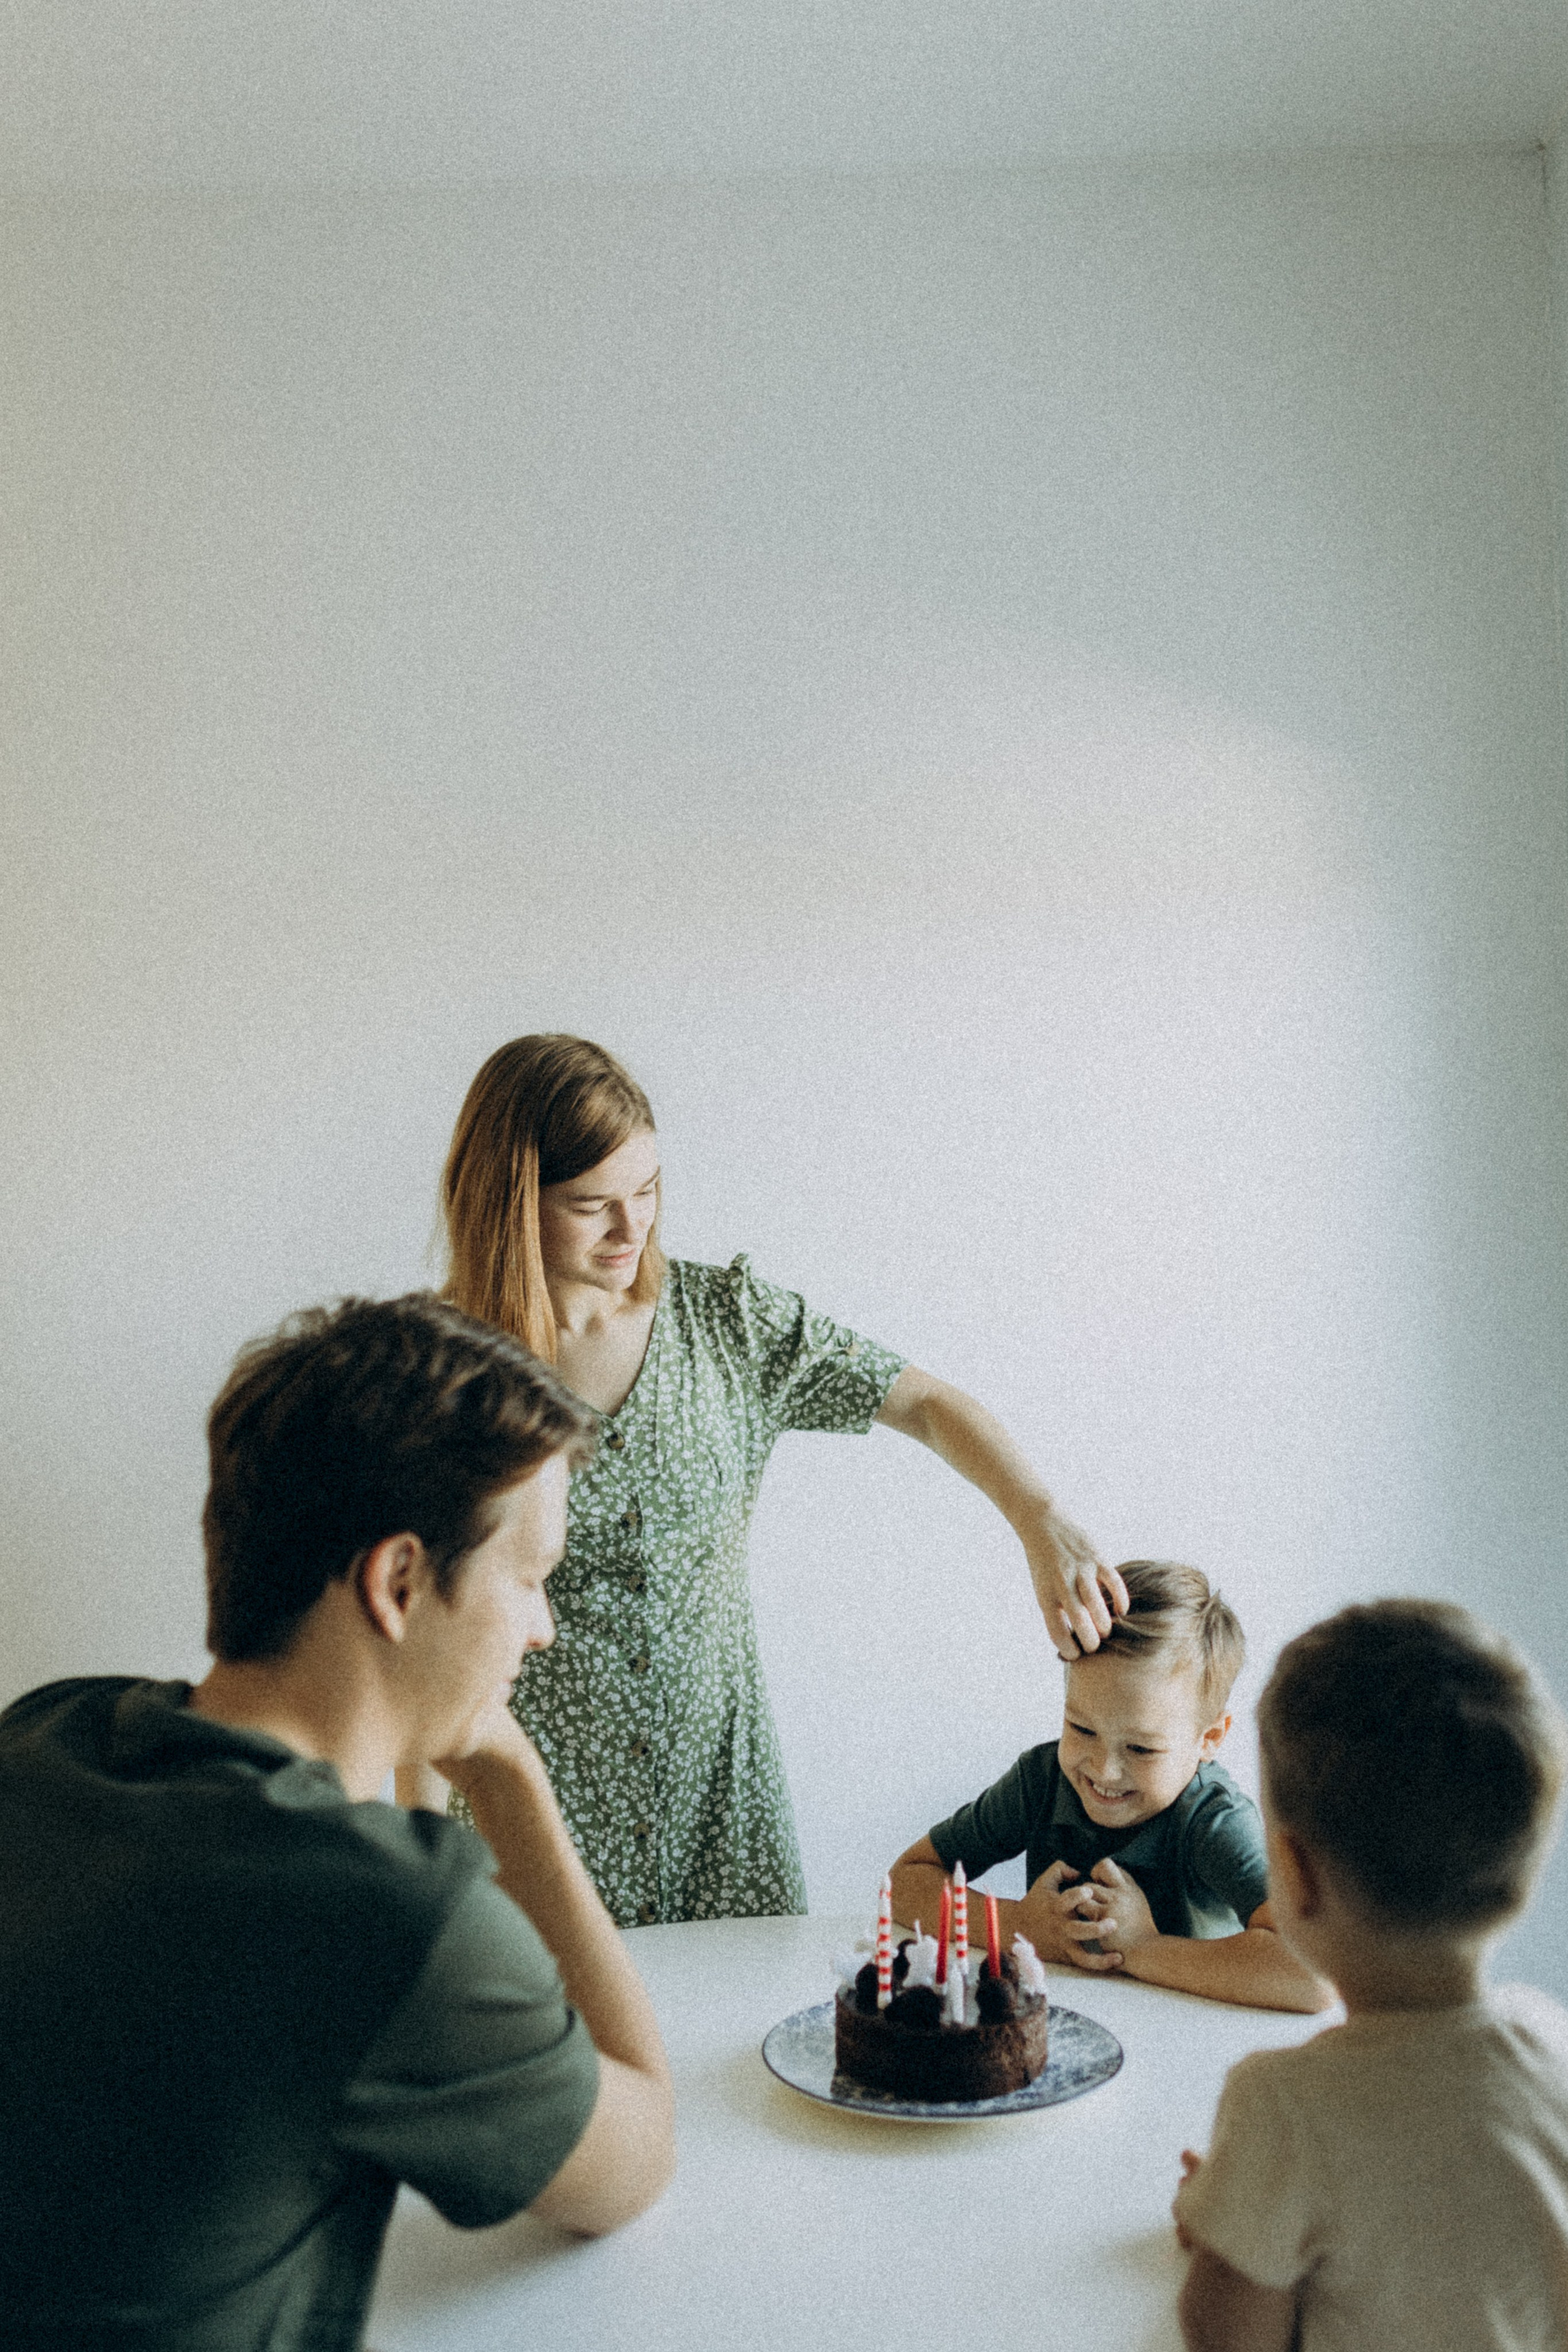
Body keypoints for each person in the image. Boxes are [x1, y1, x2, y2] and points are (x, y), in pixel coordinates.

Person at [0, 1294, 675, 2352]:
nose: (541, 1631)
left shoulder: (48, 1735)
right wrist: (513, 1781)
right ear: (399, 1581)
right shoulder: (395, 1914)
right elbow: (637, 2159)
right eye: (532, 1578)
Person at [403, 1031, 1117, 1928]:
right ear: (512, 1201)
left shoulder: (728, 1324)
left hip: (722, 1818)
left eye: (649, 1191)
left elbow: (925, 1403)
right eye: (594, 1206)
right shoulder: (434, 1373)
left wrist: (1039, 1518)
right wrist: (412, 1875)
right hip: (524, 1829)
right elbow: (412, 1649)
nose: (635, 1230)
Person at [1174, 1599, 1568, 2352]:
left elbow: (1227, 2338)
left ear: (1293, 1873)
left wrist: (1224, 2228)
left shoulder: (1282, 2106)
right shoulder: (1554, 2045)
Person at [891, 1561, 1331, 2010]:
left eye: (1141, 1749)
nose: (1104, 1771)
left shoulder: (1214, 1820)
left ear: (1209, 1739)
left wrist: (1143, 1948)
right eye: (1081, 1729)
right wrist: (1016, 1924)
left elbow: (1315, 1976)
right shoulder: (1040, 1782)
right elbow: (906, 1880)